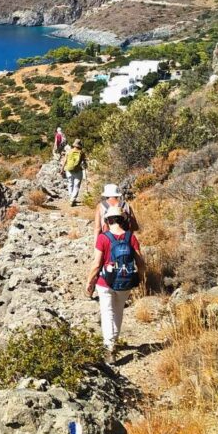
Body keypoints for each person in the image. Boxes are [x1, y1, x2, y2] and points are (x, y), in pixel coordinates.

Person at [86, 206, 146, 362]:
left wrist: (89, 283)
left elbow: (96, 264)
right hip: (125, 281)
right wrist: (139, 278)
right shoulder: (130, 237)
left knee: (107, 313)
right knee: (118, 312)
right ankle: (113, 343)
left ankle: (109, 347)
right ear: (122, 219)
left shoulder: (103, 238)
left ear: (108, 220)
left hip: (105, 282)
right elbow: (141, 263)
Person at [61, 139, 86, 205]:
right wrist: (85, 166)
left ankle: (71, 198)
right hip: (78, 170)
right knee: (76, 186)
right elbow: (84, 162)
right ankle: (72, 199)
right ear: (80, 145)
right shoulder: (81, 152)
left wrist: (62, 169)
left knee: (70, 184)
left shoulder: (68, 151)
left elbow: (65, 161)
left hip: (69, 170)